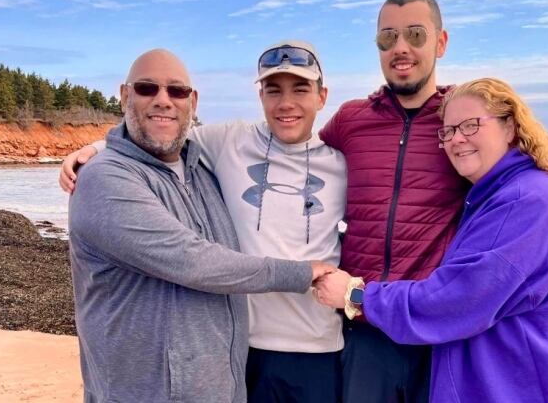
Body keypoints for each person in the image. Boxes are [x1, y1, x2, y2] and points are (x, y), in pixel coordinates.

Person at [318, 0, 548, 402]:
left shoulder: (460, 113)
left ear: (440, 42)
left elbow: (529, 188)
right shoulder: (351, 120)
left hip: (443, 331)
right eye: (387, 38)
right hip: (370, 333)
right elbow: (303, 165)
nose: (400, 47)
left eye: (415, 34)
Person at [62, 42, 345, 403]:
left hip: (295, 357)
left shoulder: (199, 169)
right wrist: (94, 151)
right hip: (233, 358)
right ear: (124, 96)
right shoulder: (223, 144)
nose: (164, 100)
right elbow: (193, 259)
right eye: (147, 88)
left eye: (176, 91)